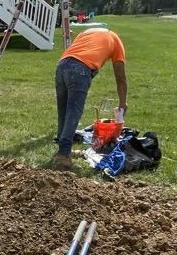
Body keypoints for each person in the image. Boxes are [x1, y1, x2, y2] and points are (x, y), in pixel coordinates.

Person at [52, 27, 127, 171]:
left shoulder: (86, 33)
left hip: (61, 65)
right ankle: (62, 155)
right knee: (73, 112)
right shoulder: (116, 40)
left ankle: (64, 149)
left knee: (64, 111)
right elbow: (121, 77)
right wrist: (123, 102)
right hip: (80, 69)